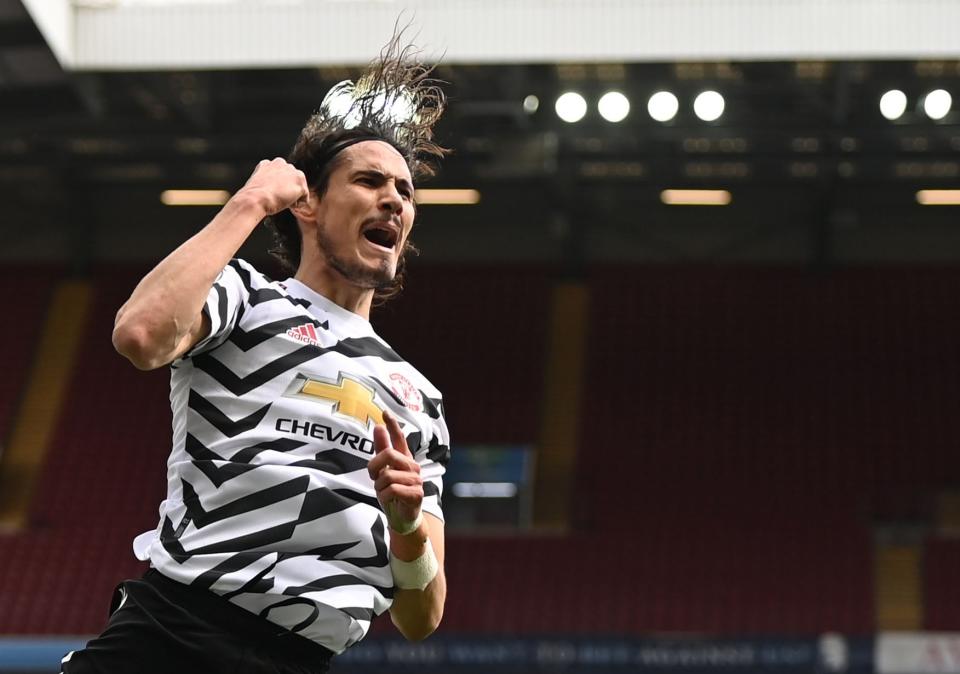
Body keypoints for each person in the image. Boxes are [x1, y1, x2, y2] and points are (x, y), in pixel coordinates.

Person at [62, 36, 450, 674]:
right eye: (370, 180)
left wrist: (406, 526)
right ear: (308, 203)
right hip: (175, 635)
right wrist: (248, 201)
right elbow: (139, 336)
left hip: (301, 661)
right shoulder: (247, 298)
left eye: (406, 191)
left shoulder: (421, 399)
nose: (395, 200)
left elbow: (421, 617)